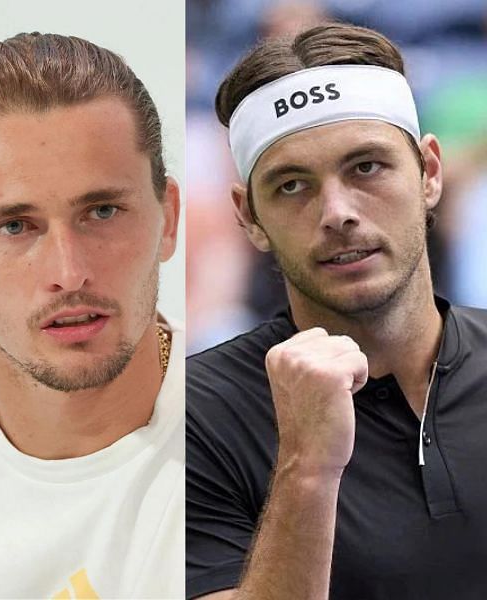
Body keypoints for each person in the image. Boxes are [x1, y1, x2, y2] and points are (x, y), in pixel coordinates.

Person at [186, 23, 487, 599]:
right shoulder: (191, 416)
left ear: (429, 173)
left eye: (366, 167)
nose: (337, 212)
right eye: (293, 185)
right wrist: (307, 466)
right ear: (248, 217)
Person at [0, 32, 184, 598]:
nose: (69, 272)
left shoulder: (247, 438)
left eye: (101, 211)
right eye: (14, 226)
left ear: (167, 219)